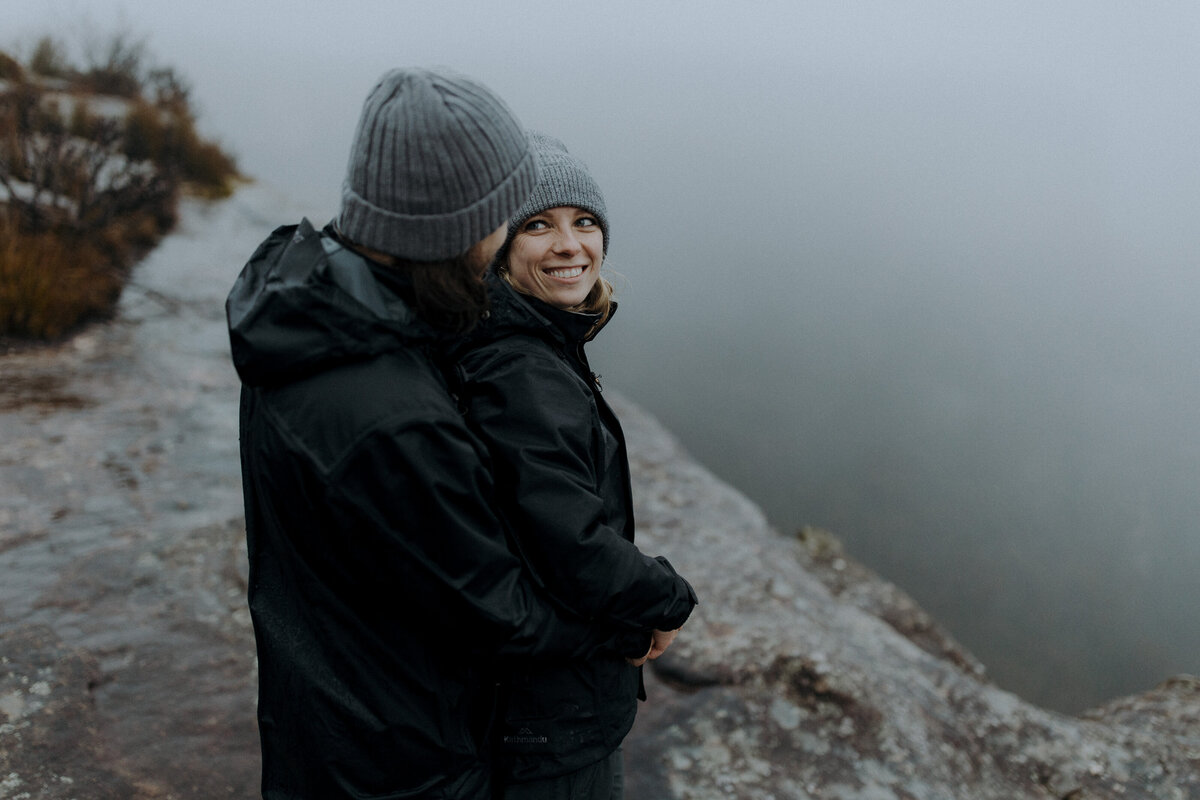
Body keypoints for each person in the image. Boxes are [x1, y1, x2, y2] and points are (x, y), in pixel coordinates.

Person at [226, 70, 656, 800]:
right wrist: (628, 630)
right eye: (511, 216)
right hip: (401, 756)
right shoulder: (397, 416)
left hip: (323, 716)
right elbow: (495, 612)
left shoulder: (306, 308)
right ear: (466, 223)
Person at [446, 132, 698, 799]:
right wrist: (666, 599)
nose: (569, 244)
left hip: (541, 701)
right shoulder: (521, 370)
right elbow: (569, 544)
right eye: (538, 226)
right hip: (549, 713)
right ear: (498, 246)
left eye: (584, 221)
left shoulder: (525, 341)